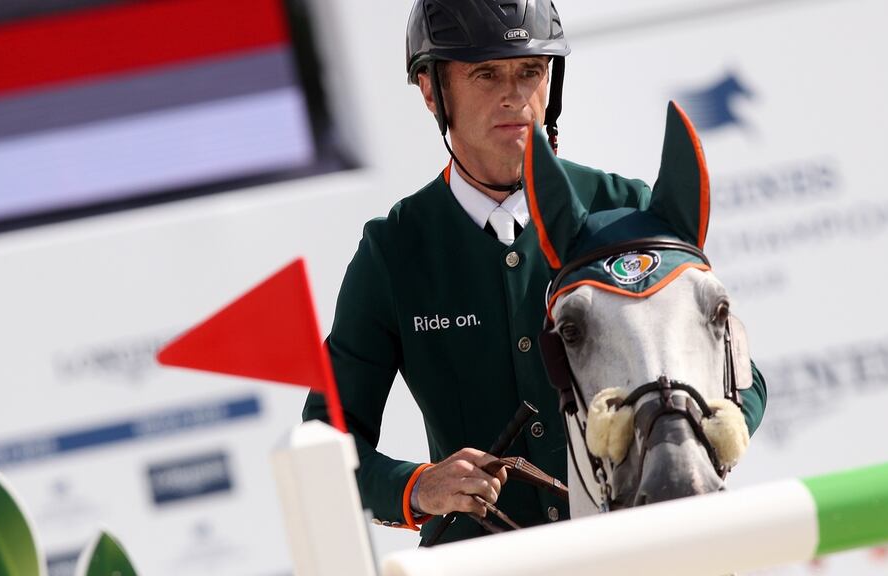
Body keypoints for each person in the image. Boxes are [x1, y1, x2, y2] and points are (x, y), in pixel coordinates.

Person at [302, 0, 767, 545]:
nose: (515, 95)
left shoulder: (627, 207)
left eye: (530, 70)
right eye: (486, 74)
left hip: (634, 549)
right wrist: (419, 486)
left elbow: (743, 380)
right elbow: (323, 444)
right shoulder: (392, 250)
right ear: (431, 91)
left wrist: (706, 436)